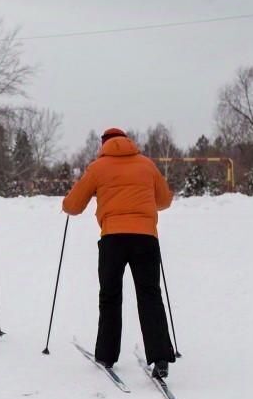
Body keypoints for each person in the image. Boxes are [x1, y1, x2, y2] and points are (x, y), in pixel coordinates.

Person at [62, 128, 176, 379]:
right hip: (146, 238)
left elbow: (72, 205)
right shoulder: (146, 165)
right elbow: (165, 200)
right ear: (128, 142)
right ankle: (160, 357)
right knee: (150, 296)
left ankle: (106, 353)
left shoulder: (98, 168)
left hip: (113, 239)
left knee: (110, 295)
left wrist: (72, 202)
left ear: (103, 145)